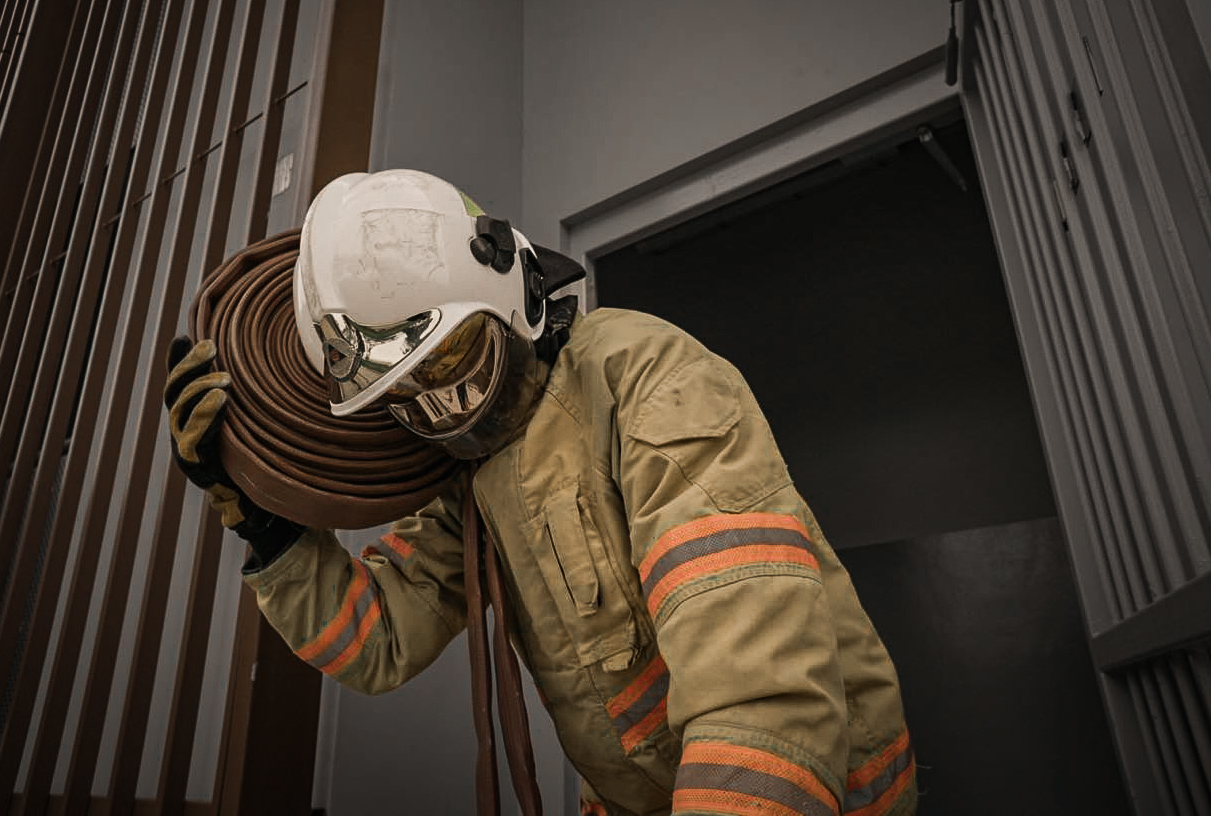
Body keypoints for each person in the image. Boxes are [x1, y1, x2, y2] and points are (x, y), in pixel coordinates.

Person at [165, 169, 916, 816]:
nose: (452, 409)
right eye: (414, 398)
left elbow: (761, 696)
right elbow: (379, 640)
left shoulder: (647, 380)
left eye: (457, 359)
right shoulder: (473, 476)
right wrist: (270, 529)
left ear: (512, 291)